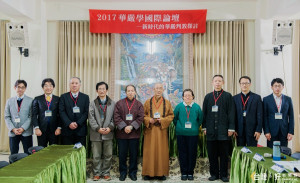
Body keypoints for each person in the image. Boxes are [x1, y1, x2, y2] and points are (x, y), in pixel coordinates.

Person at [202, 75, 235, 182]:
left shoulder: (228, 96)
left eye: (219, 81)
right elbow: (205, 113)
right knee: (212, 155)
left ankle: (224, 175)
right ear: (212, 82)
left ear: (223, 83)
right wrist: (205, 127)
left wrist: (231, 128)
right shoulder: (208, 97)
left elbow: (231, 113)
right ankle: (214, 174)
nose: (217, 83)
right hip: (210, 131)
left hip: (224, 131)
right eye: (215, 81)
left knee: (224, 155)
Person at [142, 83, 174, 181]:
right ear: (153, 89)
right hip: (150, 131)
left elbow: (171, 116)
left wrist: (163, 120)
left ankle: (161, 173)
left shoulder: (167, 103)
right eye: (157, 88)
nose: (158, 90)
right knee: (149, 151)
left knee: (161, 152)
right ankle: (148, 173)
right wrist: (148, 120)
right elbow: (143, 115)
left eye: (160, 88)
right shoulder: (147, 102)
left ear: (163, 90)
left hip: (161, 131)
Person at [114, 85, 144, 181]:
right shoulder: (119, 103)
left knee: (133, 155)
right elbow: (116, 116)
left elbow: (141, 117)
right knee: (122, 155)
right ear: (125, 92)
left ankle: (132, 173)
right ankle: (122, 173)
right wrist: (124, 127)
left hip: (134, 134)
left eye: (132, 91)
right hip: (122, 134)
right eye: (128, 91)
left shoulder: (139, 104)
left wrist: (131, 126)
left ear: (135, 92)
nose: (130, 92)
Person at [173, 89, 203, 181]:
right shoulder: (178, 107)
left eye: (189, 95)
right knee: (182, 153)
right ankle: (184, 172)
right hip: (181, 133)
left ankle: (190, 172)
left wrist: (194, 127)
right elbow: (175, 119)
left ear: (193, 97)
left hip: (193, 134)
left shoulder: (197, 107)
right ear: (182, 97)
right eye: (185, 95)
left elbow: (200, 120)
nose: (187, 97)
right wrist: (180, 127)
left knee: (192, 153)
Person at [88, 82, 115, 181]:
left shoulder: (113, 103)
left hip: (108, 133)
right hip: (96, 133)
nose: (102, 91)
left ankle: (106, 173)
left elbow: (114, 118)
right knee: (96, 156)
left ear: (107, 90)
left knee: (108, 155)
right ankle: (97, 173)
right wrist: (98, 128)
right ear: (96, 91)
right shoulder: (92, 103)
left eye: (104, 89)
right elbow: (91, 118)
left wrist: (110, 127)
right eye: (100, 89)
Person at [263, 78, 294, 148]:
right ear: (272, 87)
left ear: (283, 87)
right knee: (271, 152)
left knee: (283, 152)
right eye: (275, 86)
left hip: (284, 131)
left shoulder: (288, 99)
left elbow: (291, 116)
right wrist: (266, 131)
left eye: (279, 86)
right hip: (271, 131)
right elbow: (264, 117)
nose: (277, 88)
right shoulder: (266, 99)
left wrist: (291, 131)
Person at [4, 80, 33, 154]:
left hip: (26, 131)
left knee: (28, 154)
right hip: (13, 132)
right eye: (18, 87)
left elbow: (31, 116)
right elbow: (7, 116)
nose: (20, 89)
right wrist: (13, 129)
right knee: (13, 154)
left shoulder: (31, 101)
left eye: (22, 87)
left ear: (25, 89)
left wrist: (23, 128)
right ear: (15, 88)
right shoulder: (9, 101)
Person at [59, 77, 89, 147]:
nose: (74, 85)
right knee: (67, 152)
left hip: (80, 130)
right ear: (69, 85)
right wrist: (69, 123)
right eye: (72, 83)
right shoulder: (63, 97)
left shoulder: (85, 97)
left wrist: (78, 123)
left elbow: (86, 112)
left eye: (76, 83)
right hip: (67, 130)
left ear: (80, 85)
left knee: (80, 152)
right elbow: (61, 111)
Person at [233, 76, 263, 146]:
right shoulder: (235, 98)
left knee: (252, 151)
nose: (244, 85)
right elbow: (233, 115)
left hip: (253, 130)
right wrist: (234, 129)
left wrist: (258, 130)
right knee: (241, 151)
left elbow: (260, 115)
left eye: (246, 83)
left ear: (250, 84)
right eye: (242, 83)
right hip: (239, 130)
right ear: (240, 84)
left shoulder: (257, 98)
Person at [32, 78, 61, 147]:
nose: (48, 88)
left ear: (53, 87)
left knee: (54, 150)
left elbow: (60, 114)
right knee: (41, 150)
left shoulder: (58, 99)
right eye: (46, 86)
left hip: (54, 130)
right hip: (41, 130)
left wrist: (59, 127)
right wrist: (36, 128)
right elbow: (34, 115)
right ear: (42, 87)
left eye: (50, 85)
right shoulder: (37, 99)